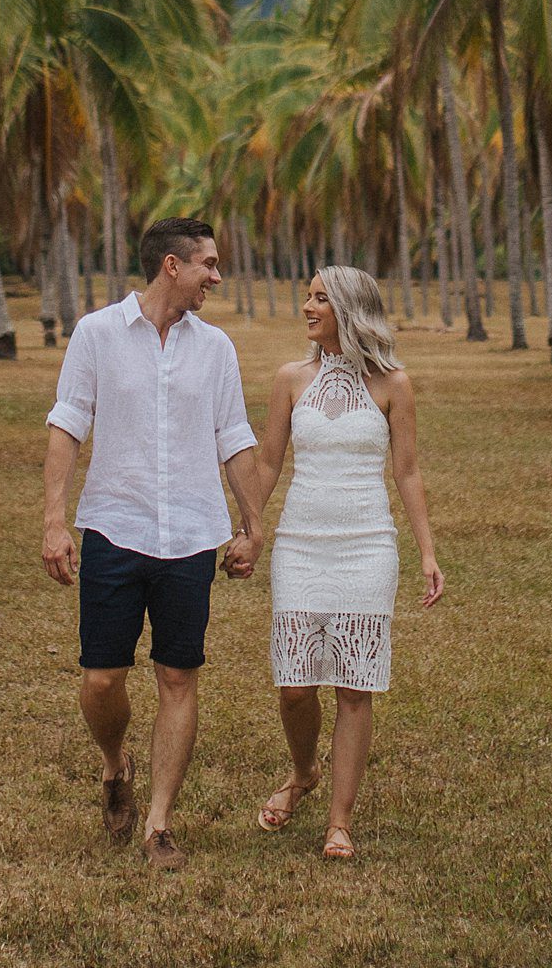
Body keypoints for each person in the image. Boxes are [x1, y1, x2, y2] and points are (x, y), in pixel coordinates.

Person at [40, 216, 265, 869]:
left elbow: (235, 437)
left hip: (193, 535)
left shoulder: (216, 348)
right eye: (209, 264)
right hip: (116, 527)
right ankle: (116, 764)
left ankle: (160, 821)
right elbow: (67, 426)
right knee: (103, 677)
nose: (216, 277)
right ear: (173, 265)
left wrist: (254, 526)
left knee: (177, 674)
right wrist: (56, 521)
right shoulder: (98, 334)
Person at [252, 266, 442, 861]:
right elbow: (266, 462)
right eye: (306, 295)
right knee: (293, 685)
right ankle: (303, 771)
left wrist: (428, 553)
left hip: (367, 547)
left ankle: (339, 821)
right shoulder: (289, 378)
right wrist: (249, 529)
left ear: (351, 310)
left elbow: (406, 472)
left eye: (319, 298)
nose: (306, 306)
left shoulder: (394, 384)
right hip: (300, 544)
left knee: (355, 688)